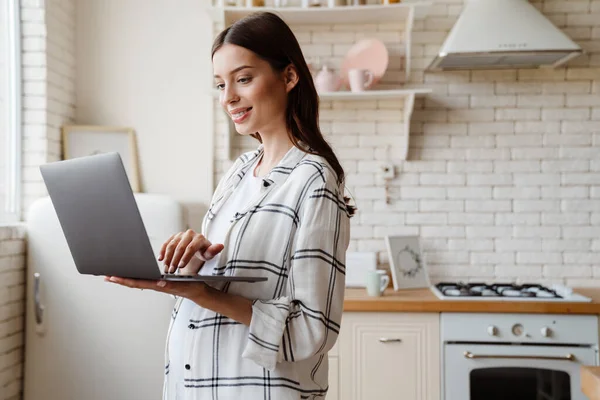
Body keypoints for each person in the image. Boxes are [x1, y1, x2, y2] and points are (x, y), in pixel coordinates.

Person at [105, 11, 354, 400]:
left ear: (289, 77)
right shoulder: (238, 172)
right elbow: (228, 277)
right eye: (220, 84)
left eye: (243, 79)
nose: (228, 98)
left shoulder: (313, 180)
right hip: (194, 383)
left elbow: (311, 329)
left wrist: (203, 293)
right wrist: (192, 262)